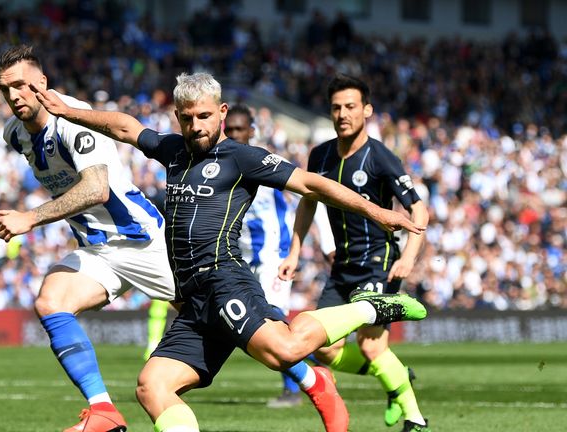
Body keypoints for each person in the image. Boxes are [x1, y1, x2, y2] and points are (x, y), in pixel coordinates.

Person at [30, 71, 428, 432]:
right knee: (152, 386)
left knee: (284, 351)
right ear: (177, 116)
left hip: (225, 281)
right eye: (187, 118)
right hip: (193, 299)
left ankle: (371, 308)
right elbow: (125, 127)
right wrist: (67, 111)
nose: (196, 126)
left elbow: (312, 185)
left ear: (221, 112)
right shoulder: (173, 150)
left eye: (204, 116)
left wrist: (377, 210)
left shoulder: (241, 157)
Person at [0, 45, 176, 432]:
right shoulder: (15, 134)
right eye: (6, 90)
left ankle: (312, 381)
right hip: (97, 251)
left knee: (239, 331)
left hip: (142, 241)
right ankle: (103, 410)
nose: (14, 96)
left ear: (42, 83)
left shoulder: (71, 119)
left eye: (21, 85)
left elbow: (97, 189)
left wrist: (31, 219)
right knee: (51, 301)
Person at [279, 73, 431, 432]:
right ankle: (397, 379)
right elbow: (307, 205)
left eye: (350, 106)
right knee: (321, 348)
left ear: (367, 110)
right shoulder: (320, 155)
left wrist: (409, 257)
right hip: (342, 267)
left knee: (372, 347)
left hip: (380, 265)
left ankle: (415, 417)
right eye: (336, 108)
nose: (343, 114)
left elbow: (419, 209)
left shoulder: (380, 156)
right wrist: (294, 253)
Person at [225, 105, 336, 408]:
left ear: (252, 132)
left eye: (239, 129)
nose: (234, 135)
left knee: (273, 321)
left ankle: (294, 389)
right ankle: (331, 360)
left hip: (275, 257)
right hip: (242, 261)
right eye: (229, 130)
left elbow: (312, 195)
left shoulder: (265, 163)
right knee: (253, 331)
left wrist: (327, 245)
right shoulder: (221, 165)